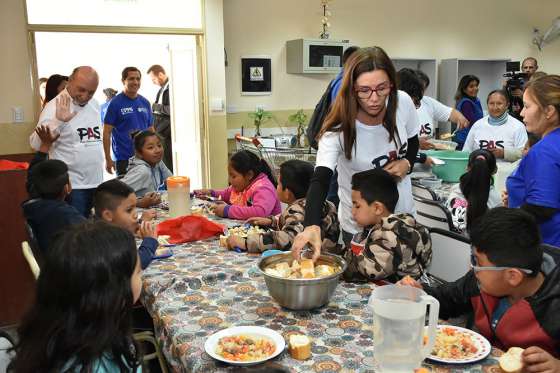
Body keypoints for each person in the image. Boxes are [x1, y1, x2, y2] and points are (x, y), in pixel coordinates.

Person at [291, 46, 420, 262]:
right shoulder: (337, 128)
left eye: (382, 88)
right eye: (364, 90)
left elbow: (413, 140)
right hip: (359, 226)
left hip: (401, 220)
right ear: (352, 89)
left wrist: (408, 162)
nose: (374, 98)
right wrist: (311, 225)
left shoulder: (403, 102)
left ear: (391, 84)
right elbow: (320, 179)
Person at [399, 207, 560, 371]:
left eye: (477, 261)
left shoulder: (554, 304)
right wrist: (419, 293)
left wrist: (557, 366)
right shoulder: (481, 280)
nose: (472, 267)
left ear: (513, 276)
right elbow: (447, 299)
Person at [10, 221, 143, 372]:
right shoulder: (93, 365)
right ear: (111, 293)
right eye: (138, 271)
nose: (142, 275)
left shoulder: (61, 333)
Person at [29, 66, 104, 218]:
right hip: (73, 187)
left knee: (93, 234)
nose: (85, 96)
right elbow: (35, 144)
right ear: (69, 81)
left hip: (96, 181)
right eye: (81, 90)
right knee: (76, 236)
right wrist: (58, 121)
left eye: (91, 92)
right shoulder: (54, 107)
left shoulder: (95, 104)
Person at [227, 160, 340, 254]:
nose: (276, 186)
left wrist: (246, 242)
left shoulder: (296, 209)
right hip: (331, 257)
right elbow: (299, 224)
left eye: (279, 184)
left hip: (311, 261)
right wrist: (271, 221)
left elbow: (288, 238)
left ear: (287, 193)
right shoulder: (326, 204)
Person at [343, 168, 431, 282]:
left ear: (377, 208)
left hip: (403, 295)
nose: (353, 212)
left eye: (357, 206)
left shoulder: (389, 237)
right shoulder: (394, 224)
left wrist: (338, 259)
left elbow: (359, 272)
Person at [506, 75, 560, 247]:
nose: (521, 112)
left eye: (527, 106)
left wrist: (503, 223)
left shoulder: (544, 150)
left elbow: (541, 207)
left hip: (546, 247)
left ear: (549, 111)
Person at [23, 126, 86, 255]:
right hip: (66, 268)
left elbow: (32, 175)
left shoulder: (33, 204)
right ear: (67, 188)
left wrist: (45, 145)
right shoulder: (66, 215)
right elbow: (94, 238)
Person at [194, 150, 281, 220]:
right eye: (229, 175)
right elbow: (226, 194)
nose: (230, 180)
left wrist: (227, 210)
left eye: (233, 176)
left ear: (249, 175)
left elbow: (259, 212)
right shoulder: (243, 185)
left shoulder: (263, 188)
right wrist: (210, 193)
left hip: (267, 236)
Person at [94, 179, 158, 269]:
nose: (136, 214)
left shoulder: (106, 229)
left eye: (135, 208)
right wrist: (150, 242)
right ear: (108, 215)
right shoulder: (104, 242)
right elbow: (136, 264)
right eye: (129, 210)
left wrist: (136, 227)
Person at [103, 66, 154, 176]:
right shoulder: (115, 103)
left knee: (147, 192)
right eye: (131, 79)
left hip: (145, 157)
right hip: (124, 159)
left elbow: (150, 129)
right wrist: (107, 159)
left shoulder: (145, 102)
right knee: (126, 192)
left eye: (138, 79)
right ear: (123, 81)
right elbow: (106, 132)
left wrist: (155, 152)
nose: (135, 82)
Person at [326, 46, 360, 208]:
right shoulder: (343, 85)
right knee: (335, 195)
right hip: (343, 145)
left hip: (341, 146)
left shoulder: (338, 81)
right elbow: (344, 118)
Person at [446, 149, 501, 234]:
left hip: (452, 242)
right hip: (481, 245)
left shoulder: (455, 191)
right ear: (494, 171)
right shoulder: (496, 198)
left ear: (467, 168)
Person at [463, 90, 528, 162]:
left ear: (507, 105)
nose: (495, 107)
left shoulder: (518, 127)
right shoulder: (477, 125)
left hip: (507, 172)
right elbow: (466, 152)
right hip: (480, 172)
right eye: (491, 103)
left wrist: (504, 153)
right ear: (487, 104)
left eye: (499, 103)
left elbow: (525, 154)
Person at [414, 69, 469, 145]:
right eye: (418, 89)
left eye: (423, 89)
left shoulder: (428, 102)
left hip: (429, 153)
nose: (421, 92)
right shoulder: (399, 107)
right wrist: (416, 143)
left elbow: (449, 113)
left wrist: (460, 118)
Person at [121, 130, 172, 207]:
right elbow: (114, 196)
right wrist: (140, 202)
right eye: (150, 148)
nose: (157, 150)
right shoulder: (142, 171)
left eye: (159, 145)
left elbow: (172, 181)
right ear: (139, 153)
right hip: (135, 214)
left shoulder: (158, 162)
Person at [147, 64, 173, 171]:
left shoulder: (171, 88)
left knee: (167, 162)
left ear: (161, 75)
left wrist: (155, 106)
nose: (153, 82)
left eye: (153, 79)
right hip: (160, 130)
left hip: (166, 132)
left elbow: (173, 109)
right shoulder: (162, 89)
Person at [454, 75, 484, 150]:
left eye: (476, 85)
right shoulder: (466, 103)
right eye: (471, 86)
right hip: (465, 140)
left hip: (472, 137)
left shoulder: (476, 100)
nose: (475, 88)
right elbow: (473, 123)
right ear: (464, 89)